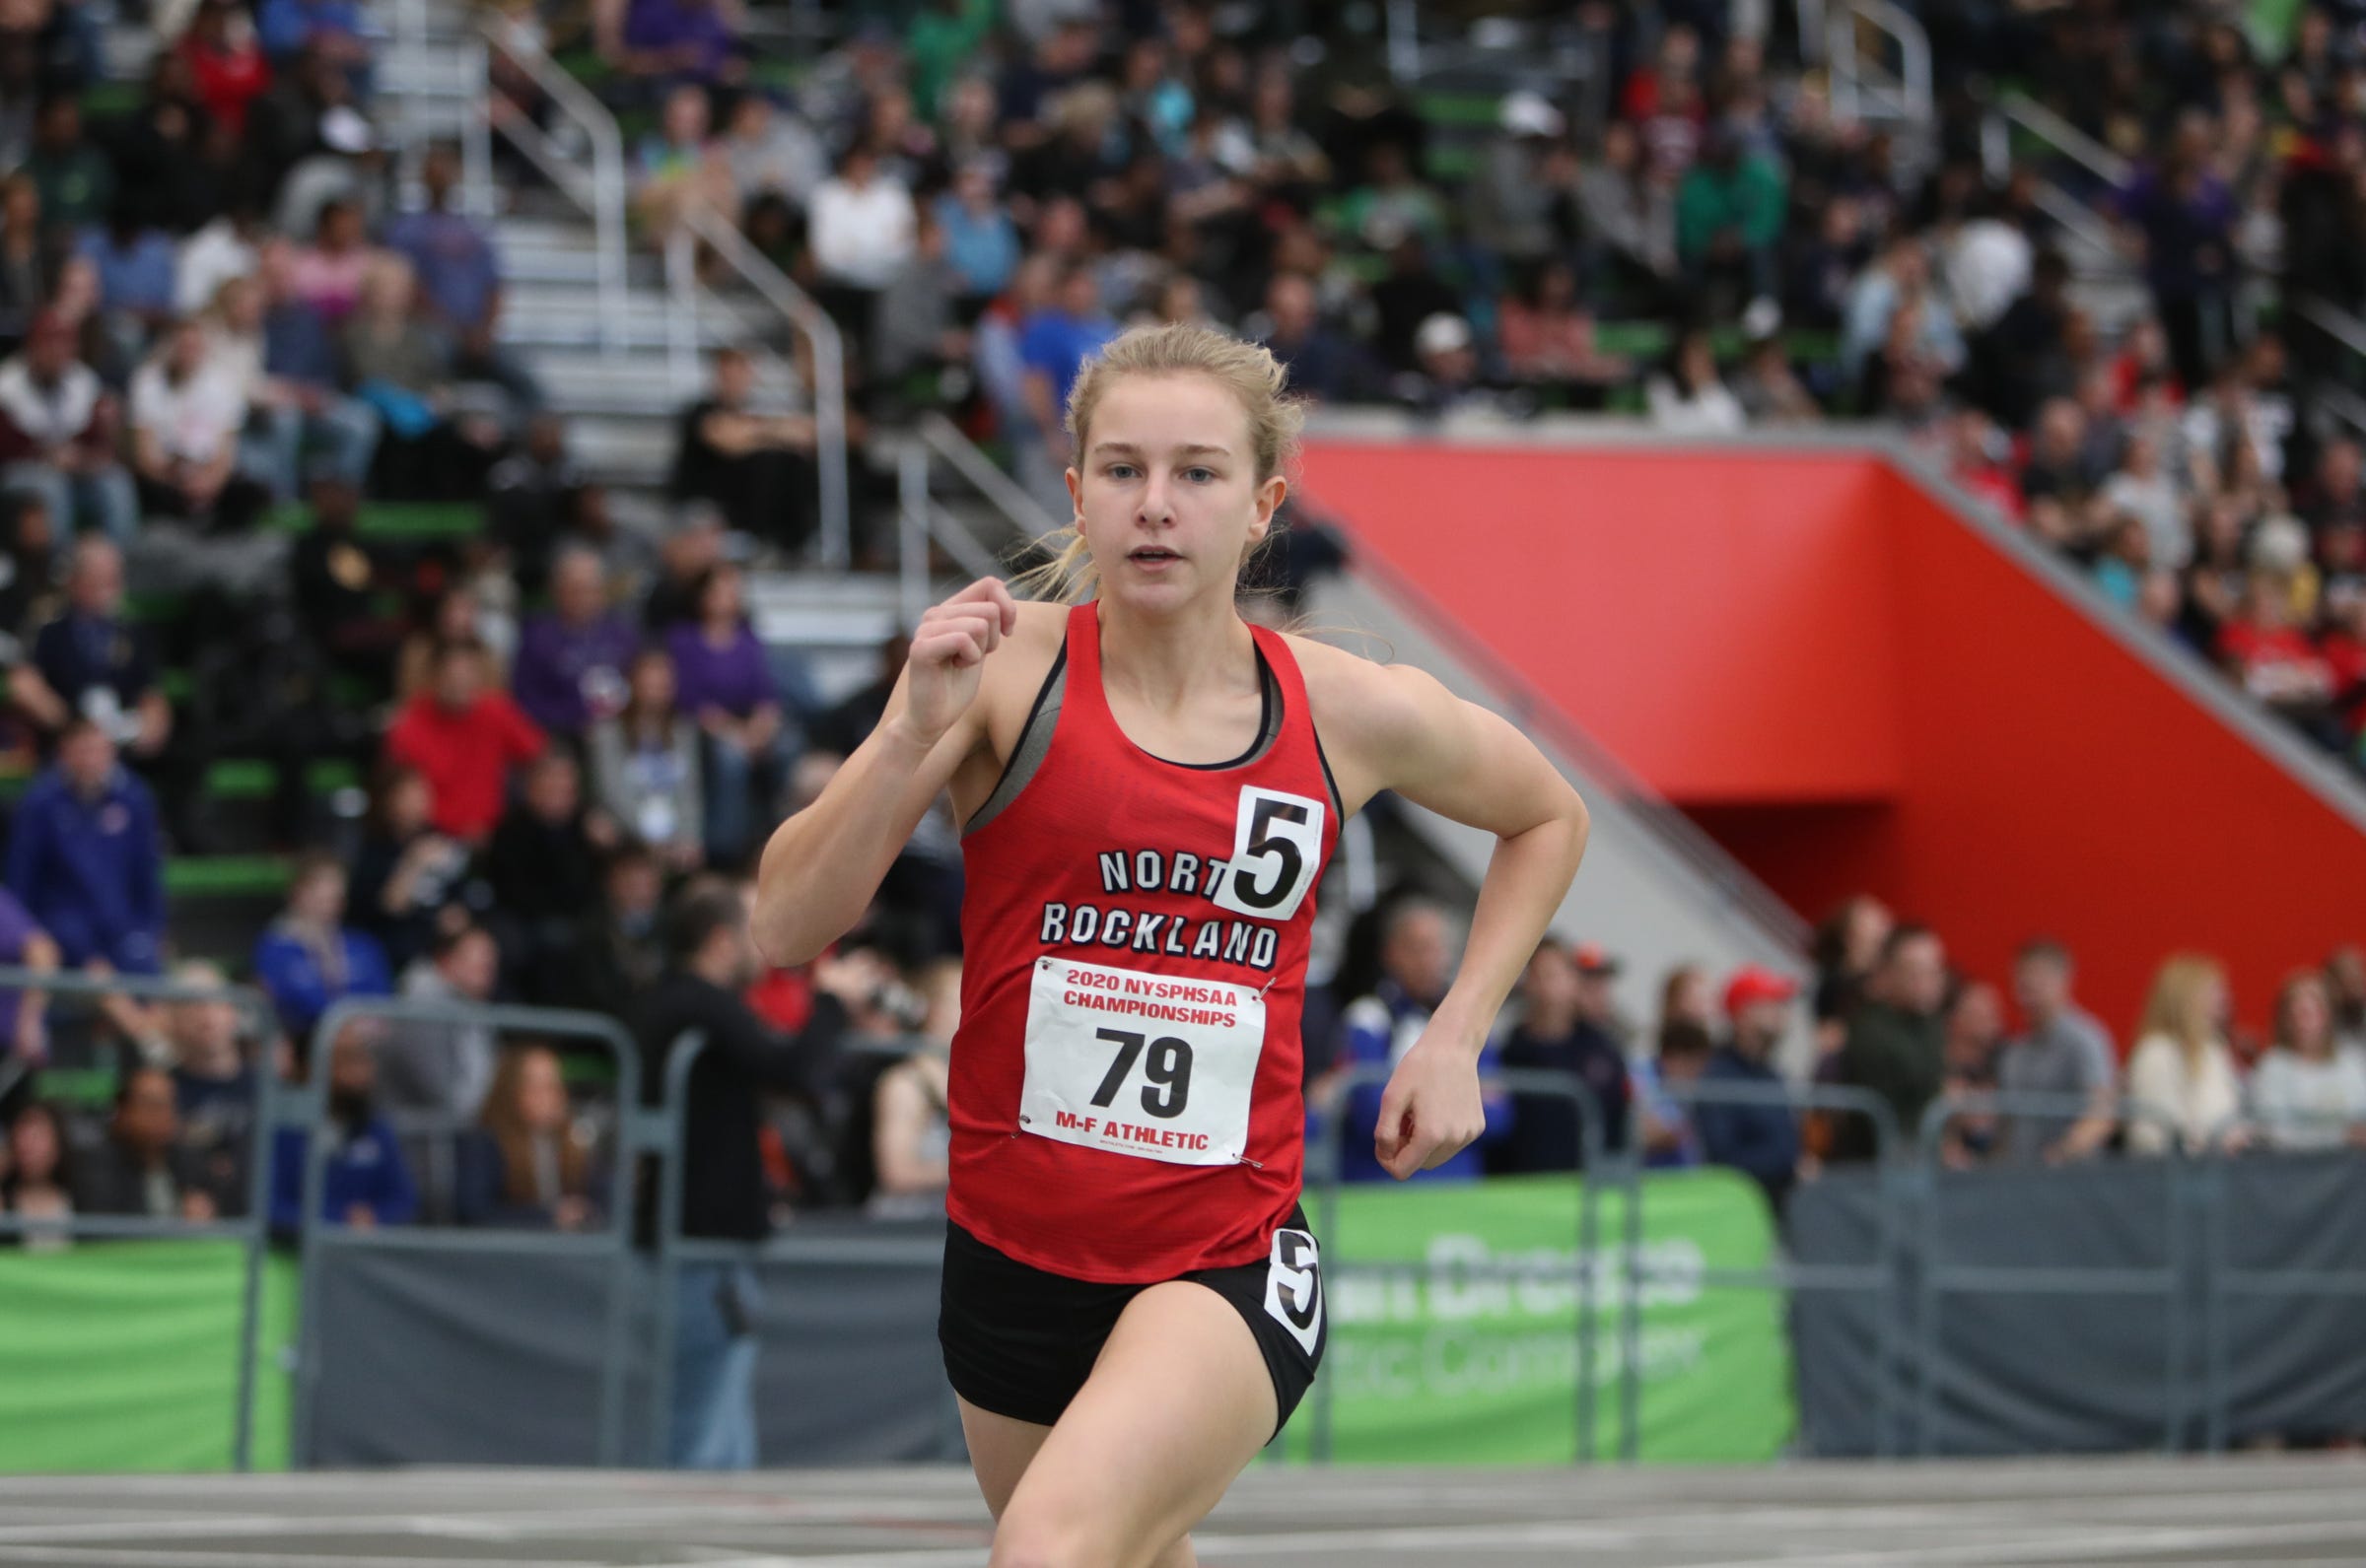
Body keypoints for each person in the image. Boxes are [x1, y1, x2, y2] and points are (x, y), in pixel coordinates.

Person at [750, 323, 1589, 1563]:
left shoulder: (1344, 707)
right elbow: (782, 926)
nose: (1156, 506)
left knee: (1050, 1547)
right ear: (1078, 490)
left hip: (1226, 1254)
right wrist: (901, 739)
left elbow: (1547, 814)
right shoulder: (997, 672)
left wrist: (1455, 1033)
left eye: (1196, 473)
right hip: (1010, 1254)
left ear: (1260, 507)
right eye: (1124, 470)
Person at [633, 878, 857, 1469]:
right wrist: (830, 1001)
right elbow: (791, 1067)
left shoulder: (679, 1003)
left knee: (720, 1396)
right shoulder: (695, 1005)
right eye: (748, 932)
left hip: (707, 1233)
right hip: (700, 1239)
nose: (760, 949)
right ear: (717, 940)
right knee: (703, 1404)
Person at [1334, 899, 1512, 1182]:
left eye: (1439, 948)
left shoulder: (1470, 1019)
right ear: (1391, 953)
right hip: (1378, 1191)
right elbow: (1369, 1112)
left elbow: (1500, 1117)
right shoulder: (1368, 1016)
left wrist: (1412, 1110)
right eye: (1419, 948)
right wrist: (1451, 1107)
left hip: (1460, 1190)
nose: (1432, 960)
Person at [382, 637, 545, 844]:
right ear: (434, 677)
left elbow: (541, 757)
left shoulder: (497, 711)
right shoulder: (409, 723)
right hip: (430, 837)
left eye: (469, 673)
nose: (460, 682)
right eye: (452, 675)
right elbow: (398, 792)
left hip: (496, 834)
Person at [1492, 935, 1626, 1172]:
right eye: (1539, 975)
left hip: (1585, 1183)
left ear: (1573, 980)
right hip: (1520, 1183)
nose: (1547, 986)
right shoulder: (1509, 1051)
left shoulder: (1602, 1050)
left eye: (1555, 974)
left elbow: (1619, 1120)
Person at [269, 1024, 420, 1232]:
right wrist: (340, 1220)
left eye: (364, 1058)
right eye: (347, 1058)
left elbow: (403, 1201)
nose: (361, 1071)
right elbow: (271, 1206)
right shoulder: (282, 1131)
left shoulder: (377, 1129)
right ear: (308, 1068)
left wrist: (374, 1218)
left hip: (365, 1256)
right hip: (292, 1255)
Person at [1994, 937, 2117, 1164]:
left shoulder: (2085, 1041)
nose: (2028, 994)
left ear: (2064, 980)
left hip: (2069, 1183)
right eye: (2023, 983)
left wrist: (2062, 1154)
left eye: (2038, 982)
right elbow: (2006, 1126)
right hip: (2017, 1179)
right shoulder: (2015, 1051)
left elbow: (2100, 1115)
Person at [1833, 924, 1949, 1161]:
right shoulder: (1869, 1031)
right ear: (1889, 973)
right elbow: (1879, 1116)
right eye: (1914, 971)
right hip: (1878, 1166)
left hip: (1923, 1163)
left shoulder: (1933, 1026)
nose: (1924, 981)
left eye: (1932, 971)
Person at [454, 1043, 602, 1229]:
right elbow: (474, 1213)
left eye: (553, 1085)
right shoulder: (483, 1143)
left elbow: (601, 1195)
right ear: (510, 1091)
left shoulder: (573, 1141)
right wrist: (548, 1218)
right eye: (536, 1086)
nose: (549, 1097)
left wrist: (584, 1211)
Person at [251, 852, 393, 1040]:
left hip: (370, 1043)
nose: (327, 907)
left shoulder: (363, 945)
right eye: (319, 897)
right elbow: (287, 1008)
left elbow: (383, 999)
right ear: (296, 894)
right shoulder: (274, 949)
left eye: (334, 898)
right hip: (307, 1044)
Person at [1697, 965, 1805, 1209]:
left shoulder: (1772, 1075)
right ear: (1743, 1013)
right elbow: (1721, 1159)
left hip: (1777, 1206)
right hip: (1737, 1211)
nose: (1781, 1012)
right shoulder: (1719, 1077)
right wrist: (1787, 1163)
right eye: (1771, 1003)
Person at [589, 646, 704, 869]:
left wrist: (690, 838)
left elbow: (690, 791)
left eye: (662, 683)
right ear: (632, 682)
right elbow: (612, 793)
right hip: (629, 838)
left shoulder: (684, 731)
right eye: (649, 682)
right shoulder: (606, 733)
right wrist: (651, 843)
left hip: (675, 839)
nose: (656, 690)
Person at [377, 921, 503, 1122]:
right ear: (446, 960)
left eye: (490, 963)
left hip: (452, 1134)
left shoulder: (477, 1011)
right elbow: (438, 1091)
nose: (487, 969)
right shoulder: (421, 1009)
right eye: (477, 962)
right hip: (415, 1140)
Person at [2125, 954, 2247, 1156]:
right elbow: (2153, 1133)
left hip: (2222, 1170)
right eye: (2213, 990)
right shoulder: (2156, 1053)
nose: (2223, 998)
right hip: (2178, 1176)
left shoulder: (2213, 1049)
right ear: (2186, 997)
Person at [2248, 971, 2366, 1152]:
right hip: (2296, 1170)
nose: (2304, 1023)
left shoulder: (2350, 1063)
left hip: (2351, 1168)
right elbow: (2271, 1131)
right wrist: (2339, 1136)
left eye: (2311, 1014)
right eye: (2296, 1015)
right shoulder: (2273, 1067)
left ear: (2327, 1016)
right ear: (2285, 1020)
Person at [1, 1101, 74, 1250]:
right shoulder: (4, 1200)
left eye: (37, 1137)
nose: (28, 1148)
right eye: (22, 1137)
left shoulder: (80, 1199)